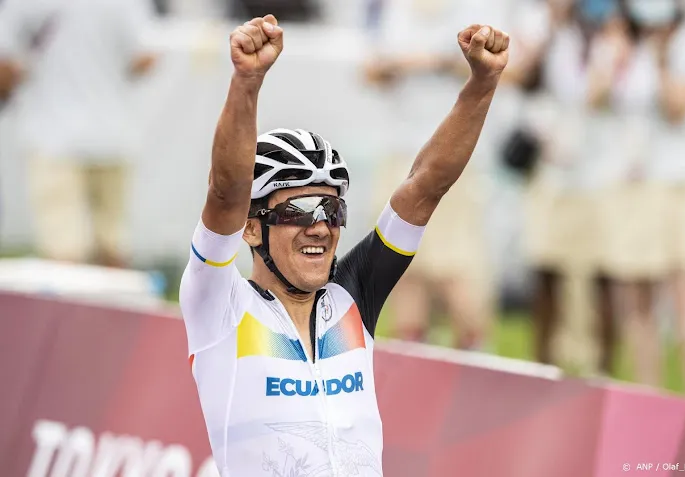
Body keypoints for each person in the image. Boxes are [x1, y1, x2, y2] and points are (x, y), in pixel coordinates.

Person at [179, 14, 509, 475]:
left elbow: (425, 186)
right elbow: (225, 194)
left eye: (332, 210)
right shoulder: (219, 305)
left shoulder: (351, 297)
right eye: (298, 210)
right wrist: (247, 83)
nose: (320, 227)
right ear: (250, 229)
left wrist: (483, 83)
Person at [363, 0, 498, 351]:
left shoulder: (477, 7)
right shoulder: (392, 9)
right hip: (400, 150)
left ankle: (474, 357)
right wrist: (401, 65)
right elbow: (370, 69)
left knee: (456, 268)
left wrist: (433, 62)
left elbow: (501, 66)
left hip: (456, 155)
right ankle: (414, 359)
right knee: (402, 266)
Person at [600, 0, 685, 399]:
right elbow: (596, 99)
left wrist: (661, 60)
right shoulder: (624, 46)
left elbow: (678, 108)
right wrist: (615, 58)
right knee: (638, 298)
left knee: (684, 294)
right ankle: (648, 400)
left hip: (676, 187)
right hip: (634, 186)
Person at [502, 0, 619, 374]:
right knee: (546, 270)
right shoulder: (540, 26)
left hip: (597, 174)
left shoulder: (607, 29)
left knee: (599, 275)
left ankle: (598, 367)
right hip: (551, 173)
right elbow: (521, 77)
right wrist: (548, 32)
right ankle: (545, 366)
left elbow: (602, 93)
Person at [0, 0, 156, 268]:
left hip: (51, 134)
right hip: (112, 132)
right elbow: (145, 58)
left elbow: (5, 62)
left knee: (63, 252)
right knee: (112, 247)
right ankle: (113, 297)